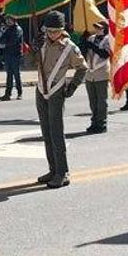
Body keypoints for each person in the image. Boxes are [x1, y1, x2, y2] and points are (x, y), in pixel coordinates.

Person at [34, 11, 87, 189]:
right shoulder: (43, 43)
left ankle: (63, 173)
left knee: (56, 133)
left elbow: (83, 68)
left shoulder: (69, 47)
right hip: (41, 90)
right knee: (46, 133)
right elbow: (34, 64)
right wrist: (34, 50)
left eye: (55, 31)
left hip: (56, 92)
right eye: (49, 31)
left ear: (62, 30)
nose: (52, 34)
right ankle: (53, 169)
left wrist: (72, 87)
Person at [81, 21, 111, 134]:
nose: (97, 29)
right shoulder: (91, 38)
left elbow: (105, 54)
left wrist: (92, 46)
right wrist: (83, 41)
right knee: (92, 101)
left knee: (101, 101)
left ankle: (102, 124)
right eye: (96, 27)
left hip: (101, 74)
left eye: (99, 28)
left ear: (105, 29)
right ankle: (94, 123)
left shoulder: (108, 40)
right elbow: (83, 52)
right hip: (90, 74)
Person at [0, 15, 23, 101]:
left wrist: (5, 42)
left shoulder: (18, 29)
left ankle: (19, 93)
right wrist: (4, 36)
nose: (8, 21)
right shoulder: (8, 29)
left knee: (16, 74)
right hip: (8, 54)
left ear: (14, 20)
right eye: (7, 20)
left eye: (9, 20)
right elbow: (1, 40)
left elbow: (13, 41)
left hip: (16, 55)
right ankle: (7, 94)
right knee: (9, 75)